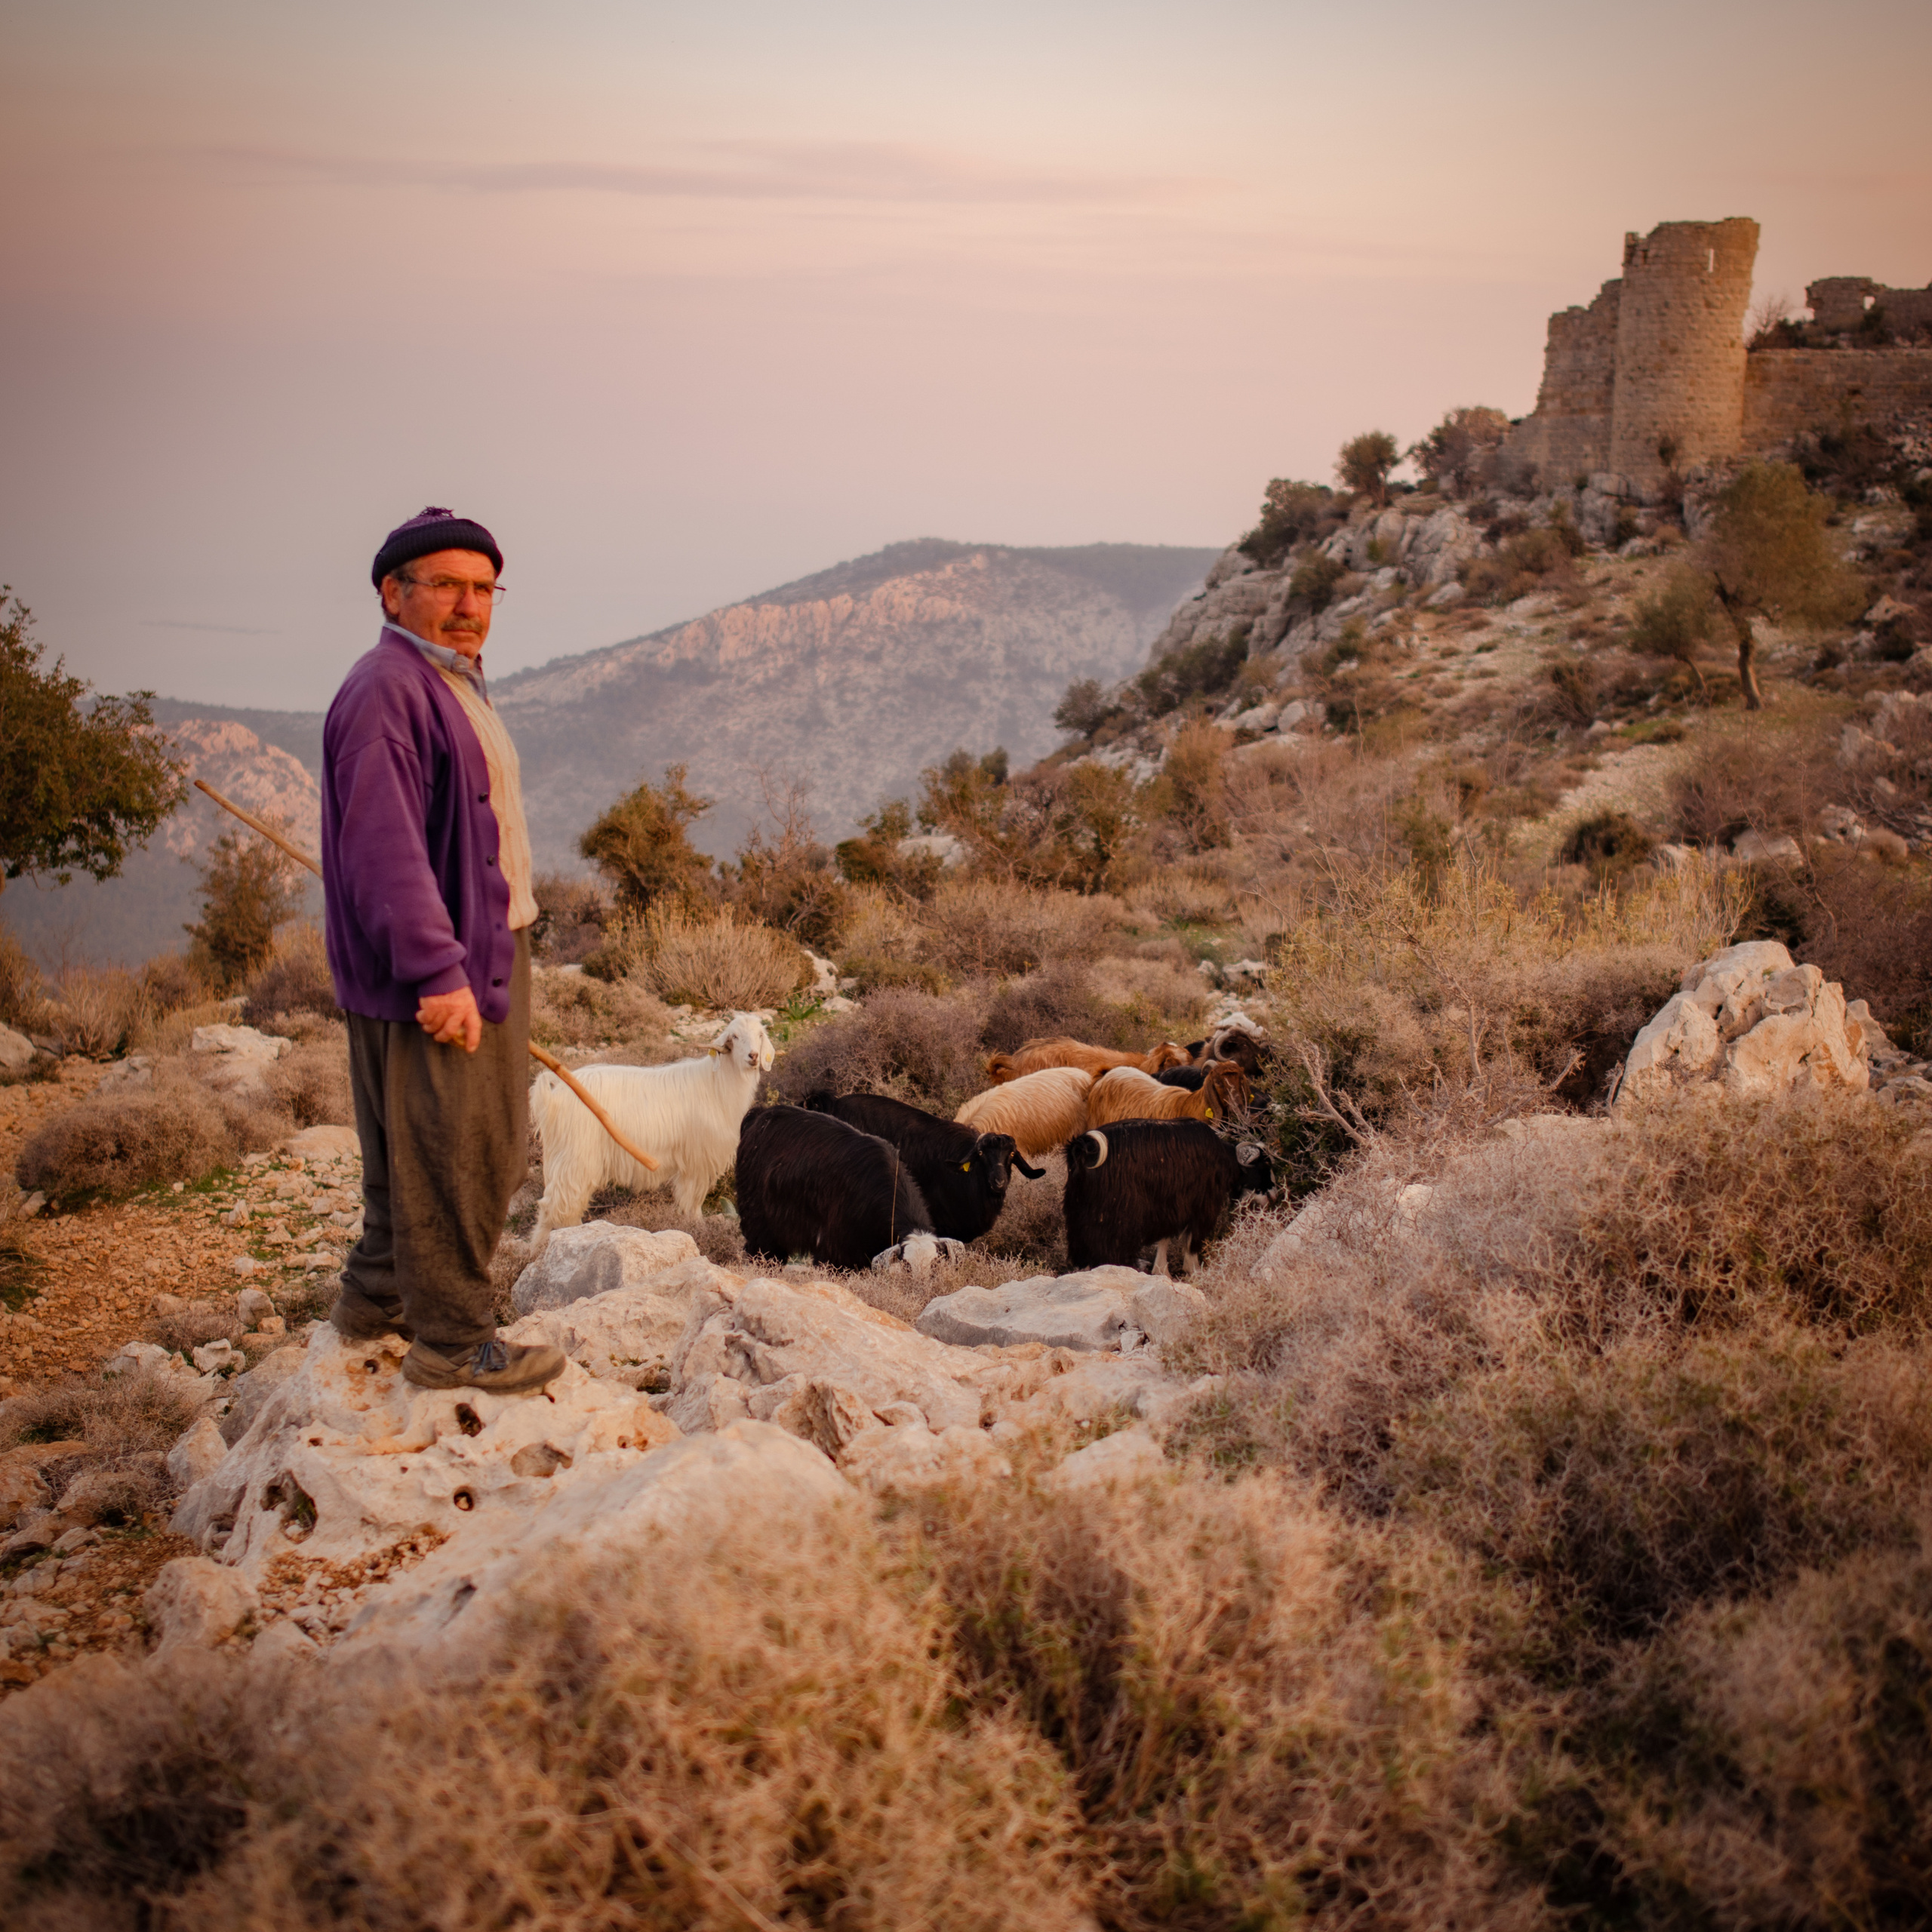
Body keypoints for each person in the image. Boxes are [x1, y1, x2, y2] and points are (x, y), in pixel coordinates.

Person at [321, 506, 564, 1393]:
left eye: (482, 587)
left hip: (465, 953)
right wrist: (436, 970)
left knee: (410, 1150)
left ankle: (375, 1300)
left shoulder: (446, 680)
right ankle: (454, 1344)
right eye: (446, 585)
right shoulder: (392, 688)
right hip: (447, 967)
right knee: (466, 1150)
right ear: (394, 592)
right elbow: (382, 845)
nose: (469, 604)